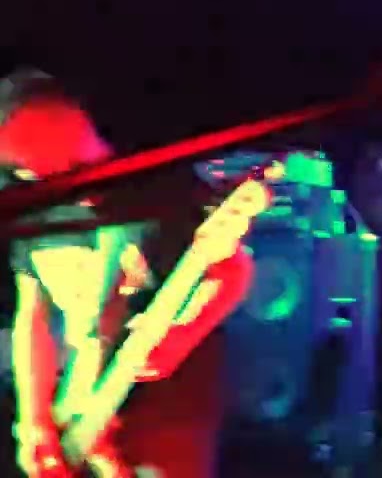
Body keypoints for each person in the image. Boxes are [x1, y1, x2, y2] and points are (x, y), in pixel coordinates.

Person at [0, 67, 254, 478]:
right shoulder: (35, 207)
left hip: (166, 409)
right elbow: (33, 315)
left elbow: (234, 267)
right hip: (79, 401)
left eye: (69, 158)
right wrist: (33, 420)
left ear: (80, 119)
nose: (55, 173)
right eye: (32, 168)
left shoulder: (158, 186)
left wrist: (182, 333)